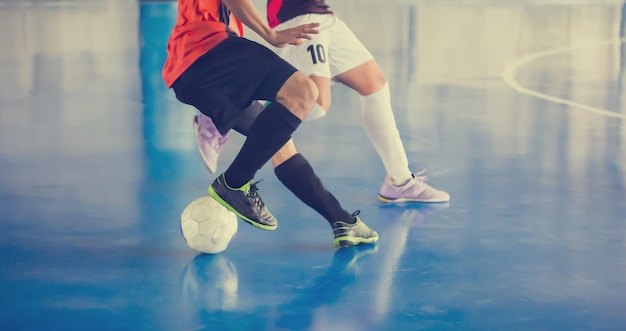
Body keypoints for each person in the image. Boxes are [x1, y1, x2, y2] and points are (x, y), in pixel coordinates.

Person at [163, 0, 378, 248]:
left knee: (278, 144)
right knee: (304, 91)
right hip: (208, 49)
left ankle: (342, 221)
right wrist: (270, 34)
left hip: (192, 72)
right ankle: (232, 183)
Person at [194, 0, 450, 204]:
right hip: (298, 13)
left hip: (323, 14)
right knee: (313, 102)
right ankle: (222, 115)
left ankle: (400, 181)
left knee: (375, 84)